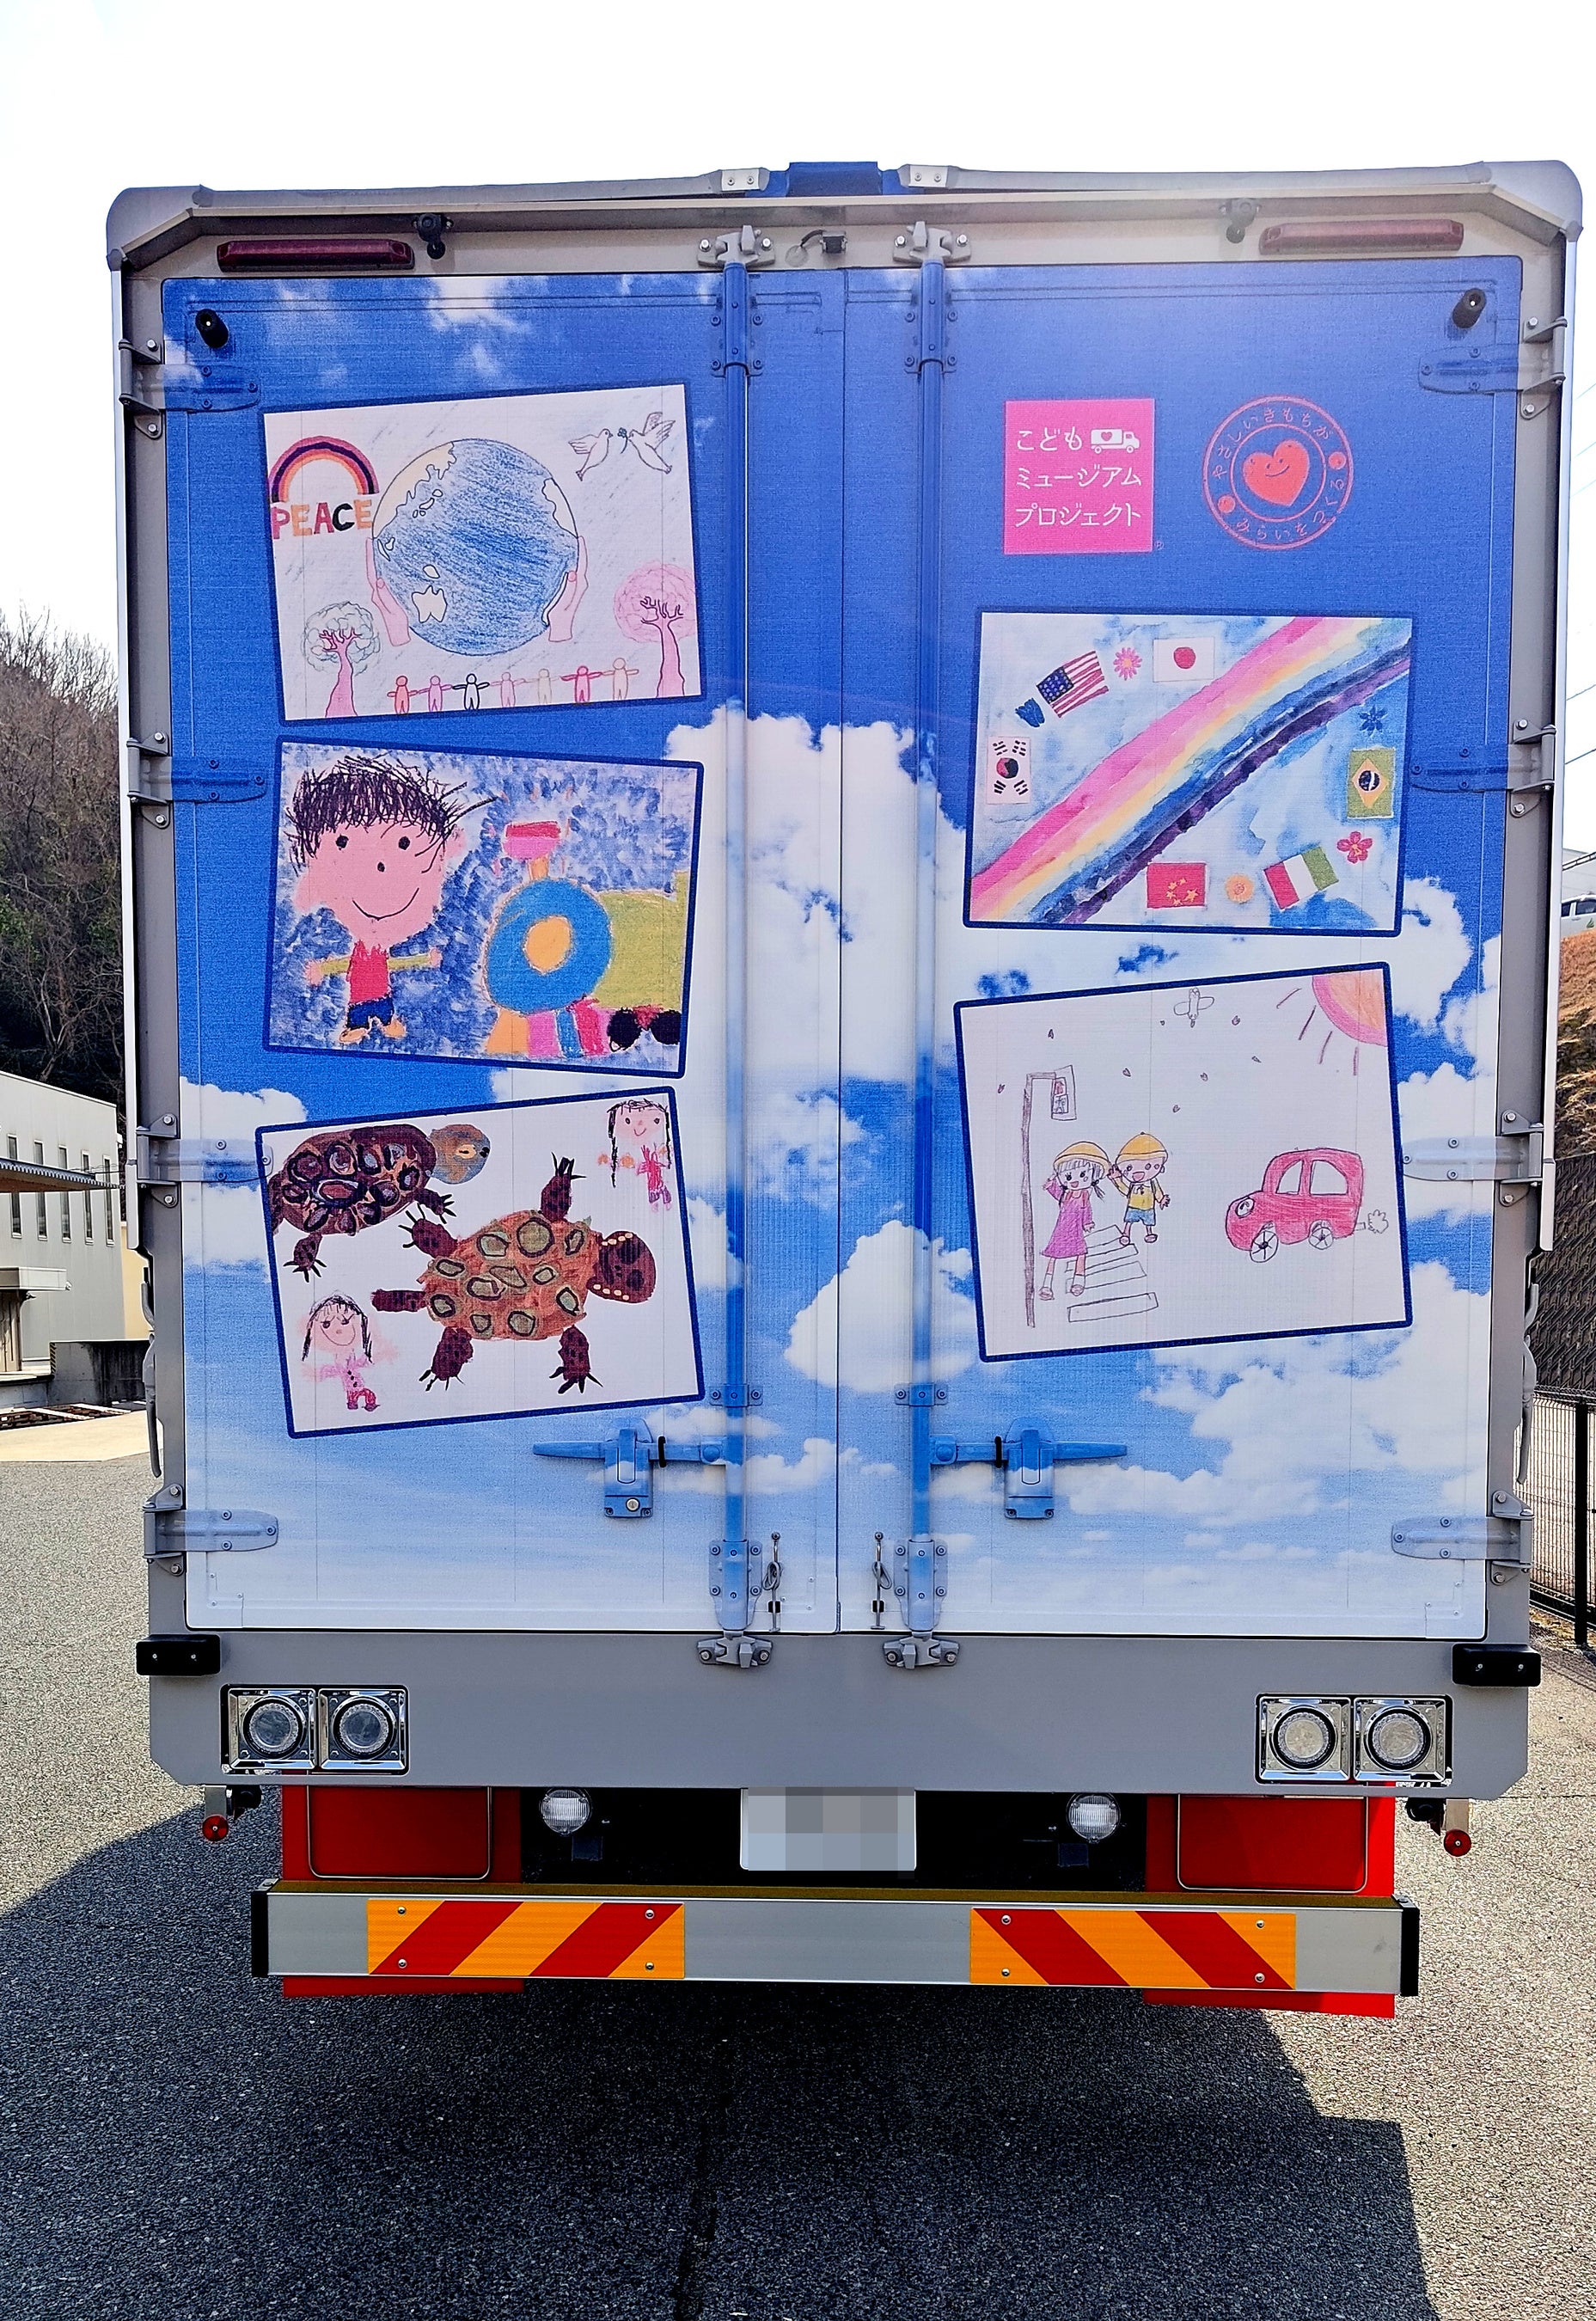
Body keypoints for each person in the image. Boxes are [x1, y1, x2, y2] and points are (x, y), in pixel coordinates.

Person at [289, 750, 478, 1046]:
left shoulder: (378, 949)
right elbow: (345, 965)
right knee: (361, 1018)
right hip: (360, 1001)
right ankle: (361, 1028)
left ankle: (385, 1024)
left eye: (403, 843)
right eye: (343, 843)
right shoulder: (358, 946)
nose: (378, 867)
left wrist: (425, 959)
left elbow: (394, 964)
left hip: (381, 998)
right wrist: (321, 969)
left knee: (384, 1015)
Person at [1040, 1142, 1108, 1301]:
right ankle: (1047, 1285)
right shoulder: (1066, 1195)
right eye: (1069, 1177)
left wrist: (1087, 1223)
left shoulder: (1084, 1196)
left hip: (1076, 1231)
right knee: (1053, 1255)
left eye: (1083, 1175)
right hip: (1061, 1229)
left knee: (1081, 1253)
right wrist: (1051, 1182)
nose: (1075, 1181)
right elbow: (1055, 1191)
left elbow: (1086, 1211)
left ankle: (1078, 1281)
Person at [302, 1295, 378, 1412]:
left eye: (345, 1321)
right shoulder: (332, 1359)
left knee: (367, 1394)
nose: (338, 1330)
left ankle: (362, 1404)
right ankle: (353, 1404)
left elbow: (361, 1362)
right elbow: (331, 1371)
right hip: (349, 1389)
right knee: (358, 1396)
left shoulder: (357, 1351)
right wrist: (317, 1373)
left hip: (357, 1385)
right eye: (326, 1324)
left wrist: (370, 1359)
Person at [602, 1096, 674, 1209]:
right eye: (628, 1121)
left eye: (655, 1121)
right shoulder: (621, 1148)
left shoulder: (660, 1145)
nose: (640, 1128)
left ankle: (661, 1201)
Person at [1111, 1132, 1171, 1246]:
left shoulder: (1152, 1182)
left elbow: (1157, 1191)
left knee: (1148, 1222)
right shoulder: (1133, 1185)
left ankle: (1149, 1233)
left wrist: (1161, 1199)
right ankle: (1126, 1234)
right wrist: (1117, 1179)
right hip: (1133, 1205)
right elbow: (1126, 1191)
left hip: (1148, 1207)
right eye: (1129, 1168)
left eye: (1148, 1166)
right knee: (1129, 1221)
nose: (1138, 1173)